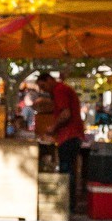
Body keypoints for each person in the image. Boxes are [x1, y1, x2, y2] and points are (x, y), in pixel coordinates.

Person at [36, 72, 85, 210]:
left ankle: (66, 204)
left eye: (43, 86)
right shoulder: (62, 90)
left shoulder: (60, 90)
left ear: (50, 80)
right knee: (69, 169)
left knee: (66, 170)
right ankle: (69, 203)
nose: (43, 90)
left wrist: (53, 127)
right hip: (71, 134)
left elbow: (65, 114)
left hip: (68, 135)